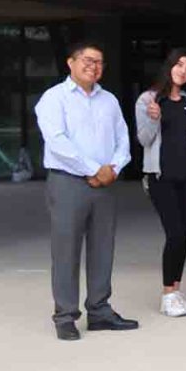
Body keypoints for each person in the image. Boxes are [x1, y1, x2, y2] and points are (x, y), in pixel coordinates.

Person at [36, 41, 136, 341]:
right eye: (88, 60)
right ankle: (65, 316)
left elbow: (123, 139)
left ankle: (100, 311)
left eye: (99, 62)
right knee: (66, 250)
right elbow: (57, 142)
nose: (94, 66)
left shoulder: (109, 100)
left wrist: (114, 168)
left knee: (103, 248)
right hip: (68, 182)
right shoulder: (54, 98)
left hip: (105, 183)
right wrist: (93, 169)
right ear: (71, 62)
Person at [135, 48, 186, 318]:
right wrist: (154, 119)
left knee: (183, 236)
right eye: (179, 65)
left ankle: (176, 290)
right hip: (161, 178)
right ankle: (167, 295)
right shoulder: (148, 99)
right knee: (174, 234)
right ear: (169, 66)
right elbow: (143, 139)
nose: (183, 71)